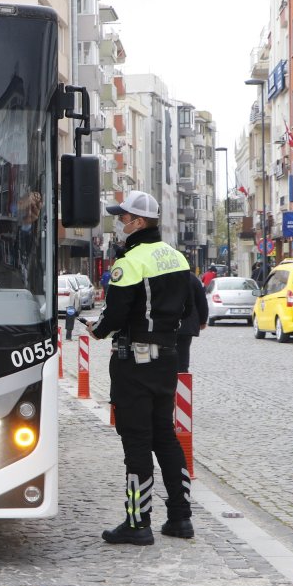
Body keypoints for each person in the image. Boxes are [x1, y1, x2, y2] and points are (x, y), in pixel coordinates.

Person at [83, 190, 194, 546]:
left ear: (139, 222)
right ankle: (180, 517)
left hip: (135, 360)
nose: (120, 223)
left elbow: (114, 315)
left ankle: (137, 521)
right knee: (165, 436)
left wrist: (96, 330)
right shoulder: (176, 257)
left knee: (136, 442)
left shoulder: (129, 262)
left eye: (124, 217)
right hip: (166, 357)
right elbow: (191, 309)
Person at [177, 273, 209, 373]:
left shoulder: (161, 275)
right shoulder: (191, 278)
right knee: (183, 357)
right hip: (186, 324)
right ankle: (182, 379)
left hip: (163, 325)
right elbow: (202, 301)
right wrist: (202, 321)